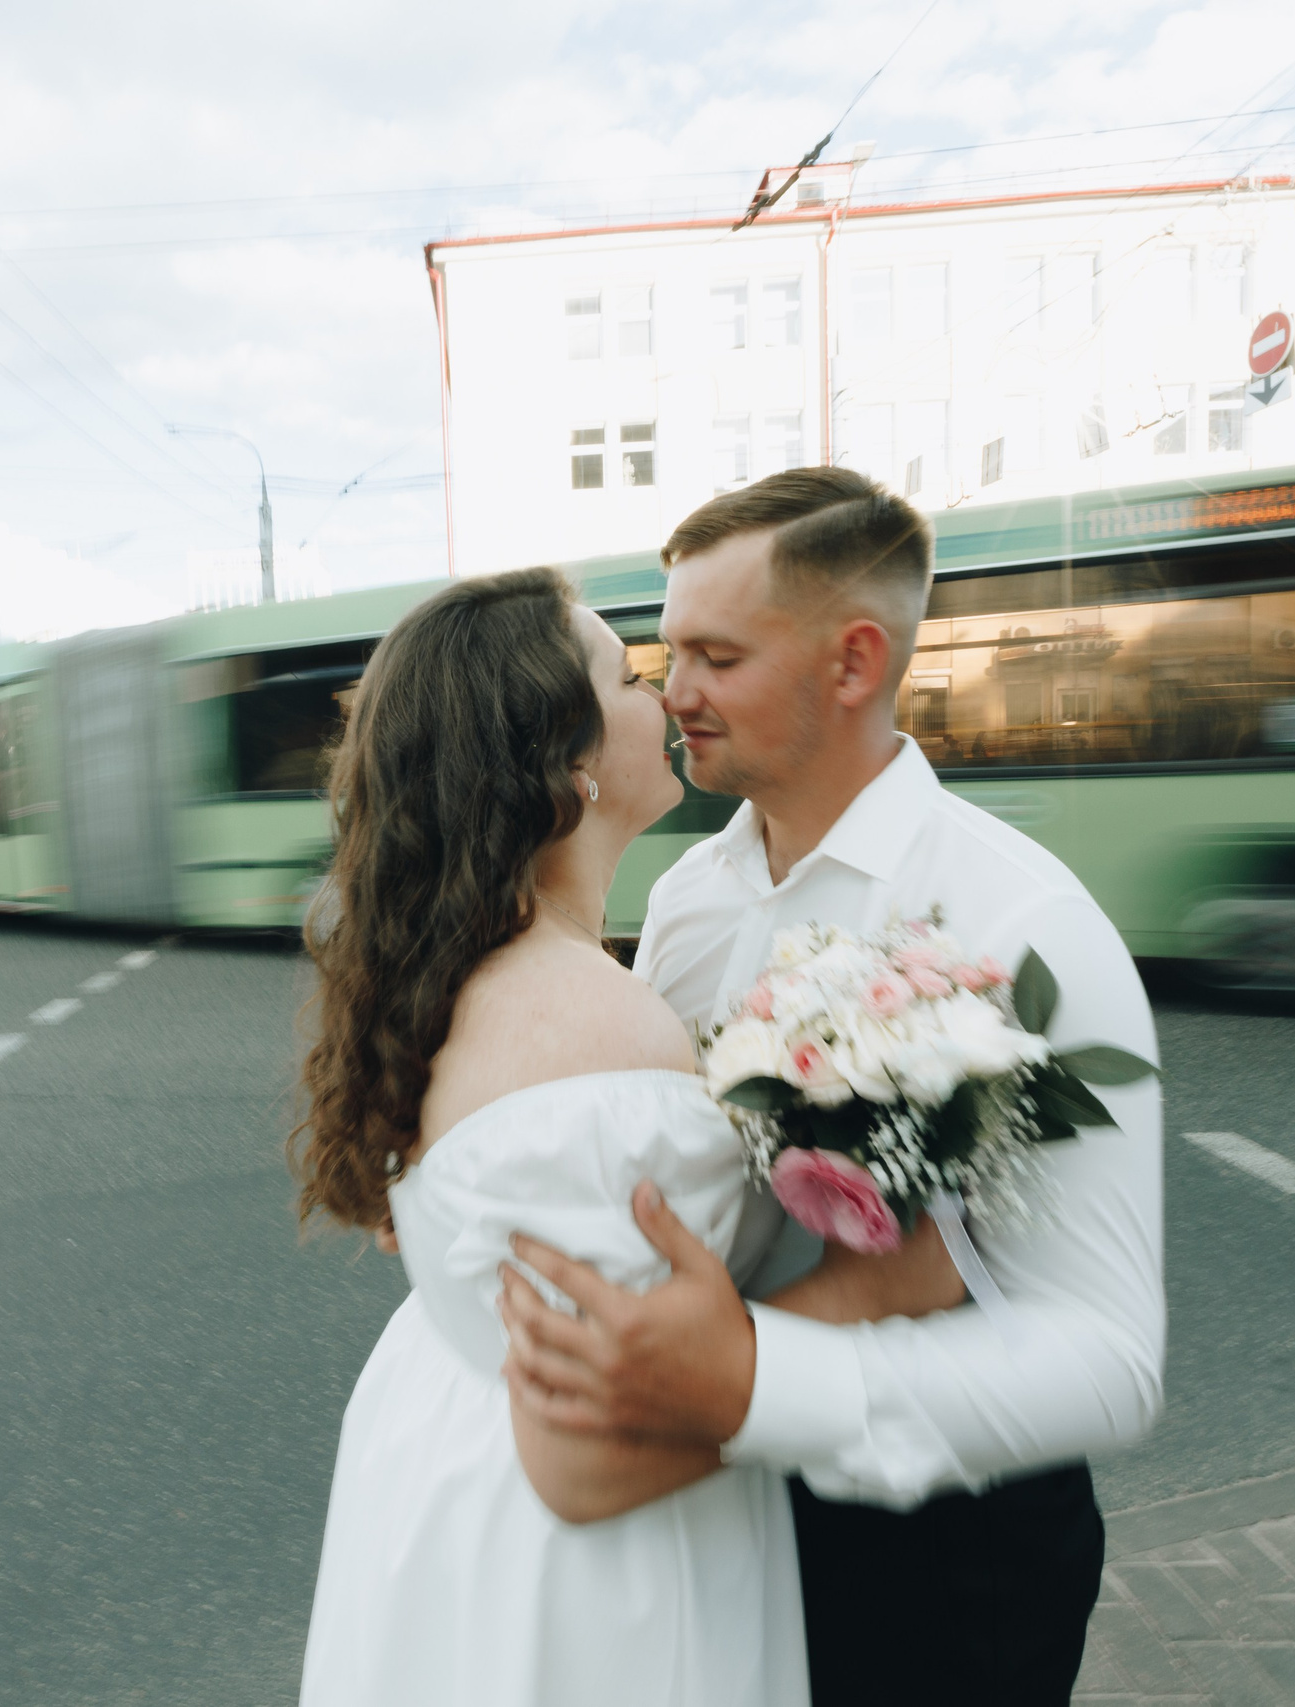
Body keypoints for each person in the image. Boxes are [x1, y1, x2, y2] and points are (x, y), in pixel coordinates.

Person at [497, 467, 1166, 1704]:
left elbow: (1110, 1356)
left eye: (713, 655)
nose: (670, 694)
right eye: (662, 652)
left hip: (946, 1570)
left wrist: (757, 1379)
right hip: (714, 1524)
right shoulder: (689, 899)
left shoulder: (1025, 926)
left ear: (852, 663)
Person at [293, 568, 957, 1705]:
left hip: (451, 1482)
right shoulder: (589, 1032)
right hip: (591, 1582)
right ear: (568, 762)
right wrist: (868, 1290)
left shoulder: (464, 975)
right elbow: (593, 1459)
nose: (673, 696)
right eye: (633, 674)